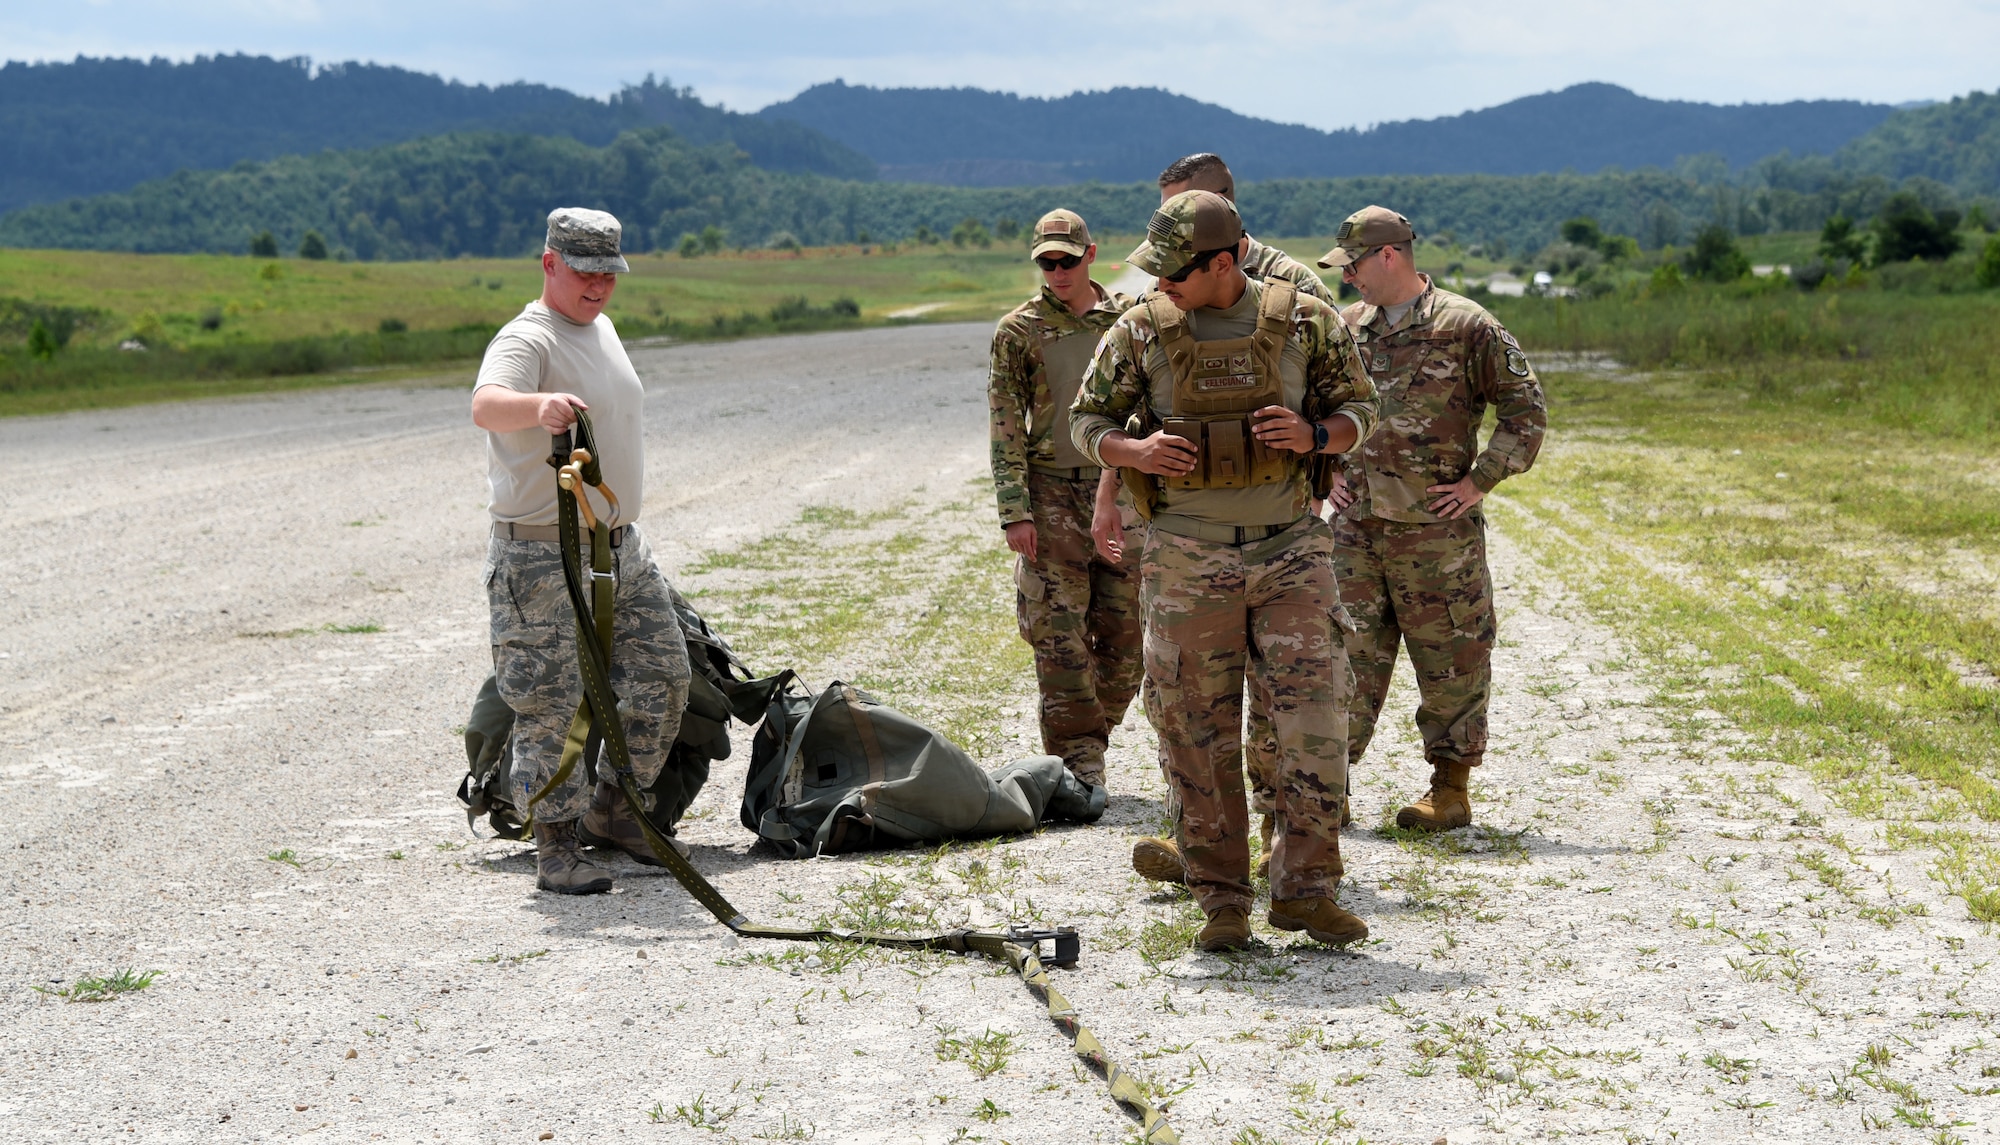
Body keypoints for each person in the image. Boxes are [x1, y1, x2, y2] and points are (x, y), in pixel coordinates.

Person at [1070, 190, 1377, 951]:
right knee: (1195, 730)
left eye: (1176, 270)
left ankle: (1305, 890)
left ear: (1225, 260)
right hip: (1185, 554)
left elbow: (1361, 413)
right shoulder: (1140, 328)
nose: (1160, 281)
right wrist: (1133, 453)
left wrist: (1315, 435)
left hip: (1290, 550)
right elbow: (1086, 423)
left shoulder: (1308, 319)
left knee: (1314, 722)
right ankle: (1221, 900)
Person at [1104, 152, 1338, 885]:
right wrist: (1113, 482)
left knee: (1286, 700)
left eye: (1181, 211)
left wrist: (1320, 455)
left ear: (1224, 217)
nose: (1162, 254)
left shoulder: (1294, 291)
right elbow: (1124, 404)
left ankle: (1280, 840)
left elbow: (1339, 396)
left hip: (1277, 527)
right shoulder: (1155, 306)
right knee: (1181, 695)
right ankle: (1202, 843)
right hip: (1185, 526)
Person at [470, 207, 693, 895]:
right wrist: (535, 410)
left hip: (619, 547)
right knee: (552, 702)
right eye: (584, 272)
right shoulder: (528, 336)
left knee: (665, 673)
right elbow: (485, 402)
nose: (598, 286)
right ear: (549, 264)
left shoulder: (599, 327)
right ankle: (557, 848)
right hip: (542, 556)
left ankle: (617, 812)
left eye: (608, 274)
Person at [1316, 206, 1546, 831]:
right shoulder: (1346, 326)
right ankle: (1323, 794)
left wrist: (1480, 481)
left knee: (1452, 656)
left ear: (1388, 256)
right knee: (1341, 659)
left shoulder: (1466, 325)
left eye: (1355, 265)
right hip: (1356, 532)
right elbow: (1319, 408)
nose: (1348, 278)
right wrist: (1325, 470)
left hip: (1436, 536)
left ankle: (1449, 790)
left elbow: (1525, 412)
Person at [988, 210, 1143, 791]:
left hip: (1123, 491)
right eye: (1046, 263)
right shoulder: (1017, 330)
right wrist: (1016, 512)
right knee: (1059, 636)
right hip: (1050, 494)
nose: (1056, 272)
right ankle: (1079, 762)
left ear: (1091, 255)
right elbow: (1005, 423)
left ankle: (1090, 734)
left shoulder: (1129, 319)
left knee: (1128, 635)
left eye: (1066, 261)